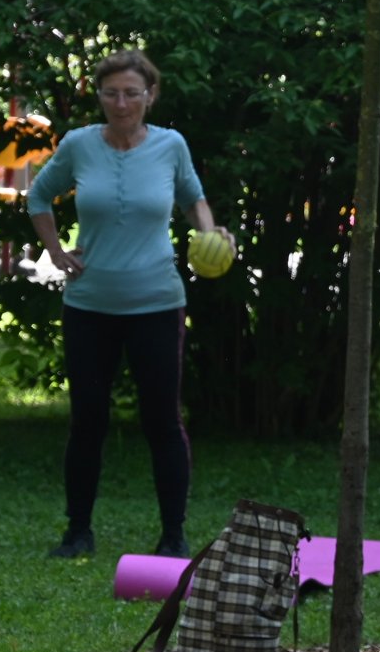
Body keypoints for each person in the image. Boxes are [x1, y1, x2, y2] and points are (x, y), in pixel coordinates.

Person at [26, 51, 232, 560]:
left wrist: (210, 236)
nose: (121, 103)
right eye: (111, 93)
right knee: (87, 421)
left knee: (162, 420)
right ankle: (77, 532)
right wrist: (55, 251)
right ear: (99, 96)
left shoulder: (170, 145)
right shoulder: (79, 145)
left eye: (132, 93)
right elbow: (38, 196)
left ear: (150, 96)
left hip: (156, 303)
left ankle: (173, 535)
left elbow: (193, 199)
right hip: (89, 305)